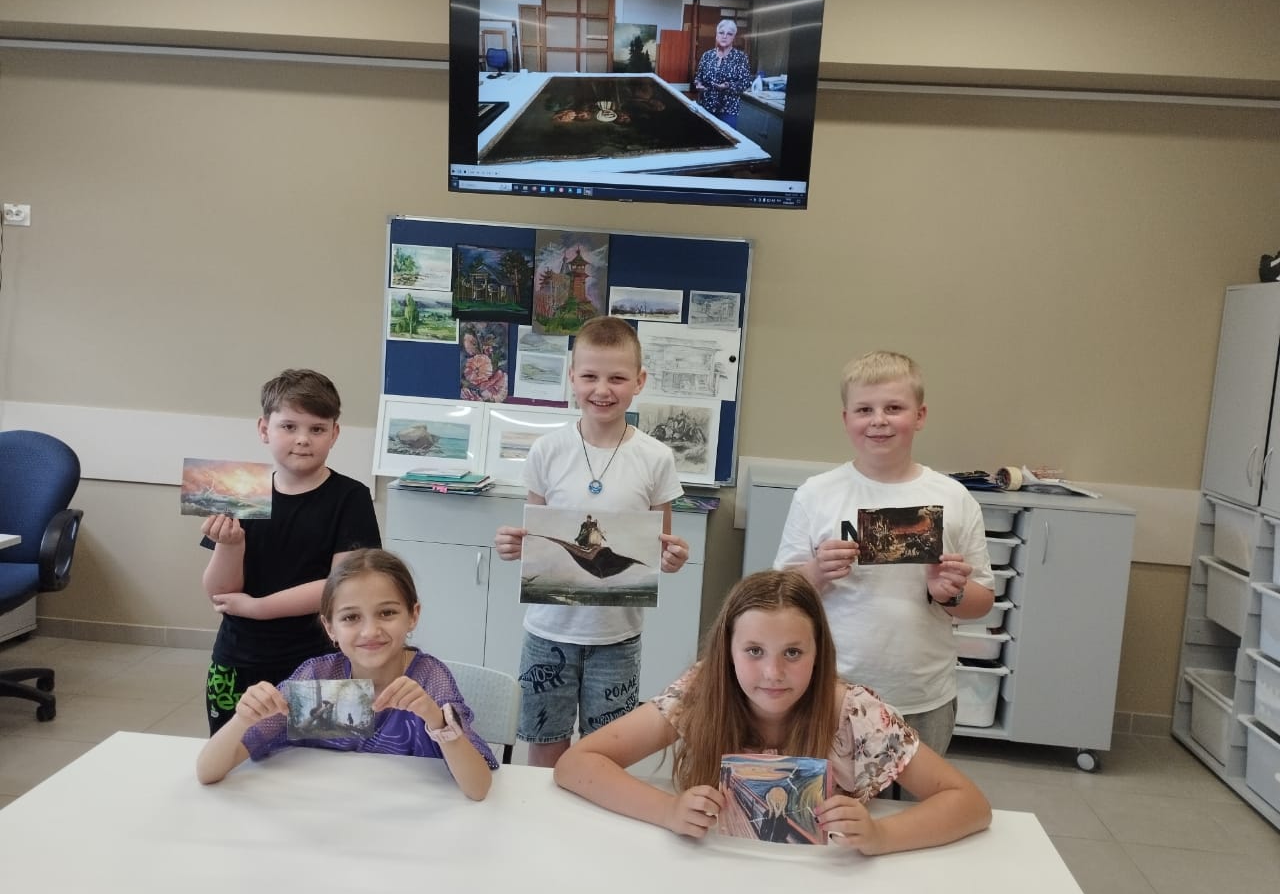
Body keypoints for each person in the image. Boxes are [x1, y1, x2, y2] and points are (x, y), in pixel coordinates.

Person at [554, 570, 991, 855]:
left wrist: (882, 834)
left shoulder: (856, 713)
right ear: (727, 651)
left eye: (793, 653)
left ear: (819, 653)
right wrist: (669, 811)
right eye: (754, 651)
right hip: (716, 877)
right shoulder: (701, 691)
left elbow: (970, 803)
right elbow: (577, 763)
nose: (773, 673)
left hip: (822, 886)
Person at [774, 351, 995, 756]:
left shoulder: (954, 498)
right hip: (831, 689)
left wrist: (951, 594)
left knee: (918, 795)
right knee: (831, 793)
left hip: (922, 695)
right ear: (846, 419)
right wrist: (817, 572)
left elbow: (982, 602)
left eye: (894, 408)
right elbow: (780, 594)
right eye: (865, 409)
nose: (879, 420)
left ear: (920, 415)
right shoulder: (816, 495)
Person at [495, 316, 689, 768]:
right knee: (545, 743)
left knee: (605, 752)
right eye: (590, 376)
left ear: (639, 381)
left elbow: (660, 547)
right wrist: (514, 546)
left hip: (617, 636)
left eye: (617, 378)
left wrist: (674, 557)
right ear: (572, 377)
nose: (602, 389)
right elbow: (534, 533)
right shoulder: (547, 450)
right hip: (548, 631)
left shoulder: (656, 458)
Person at [196, 549, 497, 800]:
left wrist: (437, 720)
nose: (370, 631)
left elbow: (478, 788)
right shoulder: (319, 678)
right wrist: (244, 718)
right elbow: (207, 771)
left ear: (413, 615)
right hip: (330, 816)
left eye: (387, 613)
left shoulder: (430, 680)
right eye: (351, 617)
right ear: (330, 628)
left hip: (406, 819)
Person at [200, 368, 382, 735]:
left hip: (324, 659)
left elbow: (342, 587)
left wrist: (258, 607)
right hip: (239, 657)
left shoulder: (351, 497)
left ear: (335, 433)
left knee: (326, 755)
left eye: (317, 429)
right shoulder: (239, 491)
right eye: (288, 426)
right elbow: (220, 593)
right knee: (236, 754)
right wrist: (230, 545)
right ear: (264, 429)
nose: (302, 439)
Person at [692, 19, 753, 129]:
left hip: (728, 111)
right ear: (716, 35)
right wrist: (698, 84)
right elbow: (698, 77)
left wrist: (728, 86)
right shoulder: (707, 55)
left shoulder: (740, 57)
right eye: (721, 33)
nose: (724, 36)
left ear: (734, 37)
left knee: (725, 138)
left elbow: (746, 82)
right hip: (706, 108)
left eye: (729, 34)